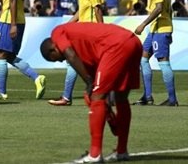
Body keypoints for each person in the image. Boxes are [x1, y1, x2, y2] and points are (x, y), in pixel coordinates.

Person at [40, 22, 142, 163]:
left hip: (115, 45)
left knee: (96, 96)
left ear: (53, 49)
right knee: (120, 97)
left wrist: (89, 83)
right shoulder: (85, 50)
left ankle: (94, 154)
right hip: (133, 42)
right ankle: (121, 151)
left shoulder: (57, 32)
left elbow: (70, 55)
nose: (61, 60)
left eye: (56, 58)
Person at [50, 0, 103, 106]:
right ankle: (102, 94)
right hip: (85, 30)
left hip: (91, 31)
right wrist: (68, 25)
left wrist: (102, 30)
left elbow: (97, 8)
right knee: (78, 63)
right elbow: (83, 10)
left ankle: (68, 97)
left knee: (75, 62)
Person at [133, 0, 178, 106]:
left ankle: (172, 100)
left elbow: (159, 8)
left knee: (163, 62)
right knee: (143, 58)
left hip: (160, 29)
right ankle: (147, 96)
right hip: (156, 29)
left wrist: (142, 24)